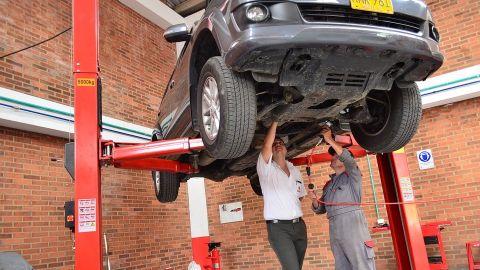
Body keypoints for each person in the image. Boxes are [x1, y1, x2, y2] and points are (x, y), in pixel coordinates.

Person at [309, 127, 376, 270]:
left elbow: (349, 161)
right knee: (342, 266)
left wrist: (329, 140)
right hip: (334, 226)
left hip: (351, 223)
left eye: (335, 155)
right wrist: (315, 200)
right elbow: (321, 209)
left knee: (361, 263)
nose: (333, 157)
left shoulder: (353, 176)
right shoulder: (329, 184)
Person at [257, 121, 308, 270]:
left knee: (296, 267)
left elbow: (300, 195)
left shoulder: (295, 170)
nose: (278, 144)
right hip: (279, 228)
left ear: (286, 149)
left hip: (299, 226)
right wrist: (275, 121)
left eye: (281, 143)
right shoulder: (265, 168)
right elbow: (266, 145)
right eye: (275, 143)